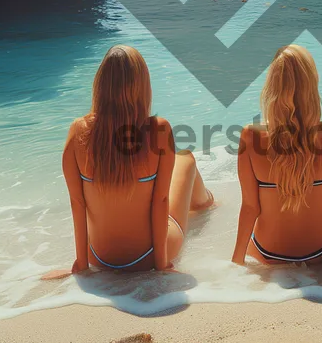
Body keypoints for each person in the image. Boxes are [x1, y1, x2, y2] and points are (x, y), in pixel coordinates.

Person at [44, 45, 213, 277]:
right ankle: (206, 203)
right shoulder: (158, 129)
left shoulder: (78, 130)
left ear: (100, 84)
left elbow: (77, 202)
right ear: (142, 86)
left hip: (99, 257)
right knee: (186, 159)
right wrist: (161, 264)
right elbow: (160, 200)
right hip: (150, 255)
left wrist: (82, 264)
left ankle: (205, 203)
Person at [232, 44, 322, 266]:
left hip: (268, 254)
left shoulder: (250, 136)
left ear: (271, 86)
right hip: (319, 252)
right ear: (312, 84)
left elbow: (250, 207)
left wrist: (236, 263)